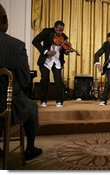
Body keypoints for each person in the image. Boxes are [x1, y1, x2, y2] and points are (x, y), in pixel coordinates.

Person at [0, 3, 42, 160]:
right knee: (32, 107)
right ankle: (30, 148)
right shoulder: (16, 46)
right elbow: (25, 81)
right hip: (7, 104)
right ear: (4, 20)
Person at [32, 20, 73, 108]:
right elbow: (35, 41)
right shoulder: (46, 32)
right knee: (45, 80)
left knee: (59, 82)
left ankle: (59, 101)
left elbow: (63, 50)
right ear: (54, 28)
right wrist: (46, 51)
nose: (60, 32)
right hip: (46, 60)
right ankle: (43, 100)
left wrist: (67, 51)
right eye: (59, 30)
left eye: (62, 30)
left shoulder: (64, 37)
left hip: (57, 60)